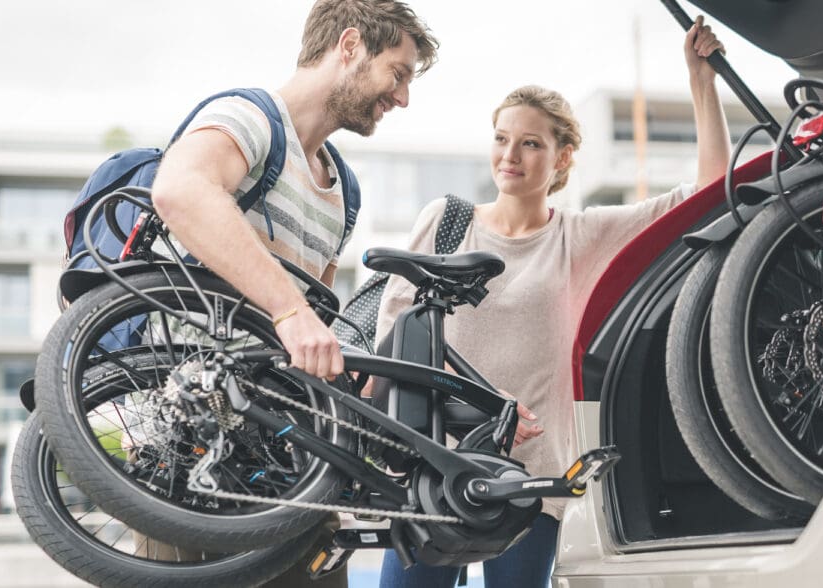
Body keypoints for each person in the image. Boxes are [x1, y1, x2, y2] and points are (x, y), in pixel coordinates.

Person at [374, 15, 730, 588]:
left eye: (531, 143)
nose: (510, 154)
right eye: (501, 138)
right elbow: (398, 334)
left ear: (562, 158)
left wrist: (701, 83)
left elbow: (710, 194)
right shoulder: (445, 223)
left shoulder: (580, 237)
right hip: (433, 470)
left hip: (531, 481)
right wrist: (484, 409)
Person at [146, 1, 438, 586]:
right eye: (399, 73)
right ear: (350, 45)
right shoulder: (250, 118)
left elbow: (314, 327)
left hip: (287, 464)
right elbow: (180, 190)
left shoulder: (342, 188)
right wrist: (289, 310)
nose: (403, 98)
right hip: (192, 443)